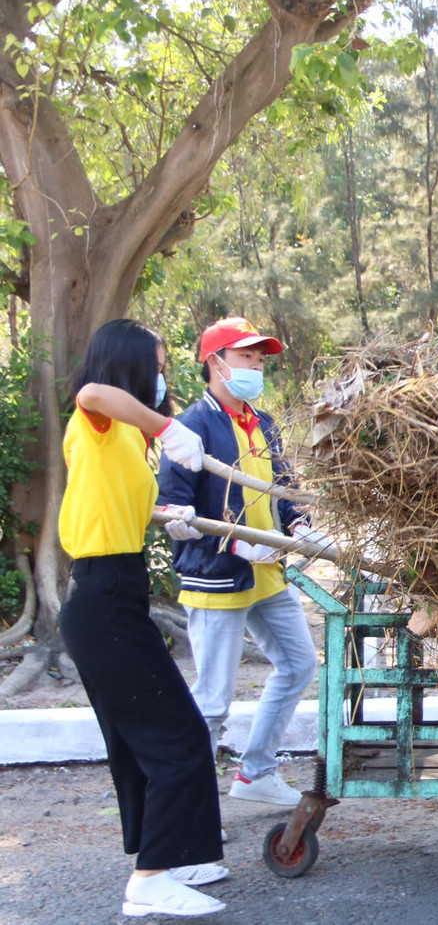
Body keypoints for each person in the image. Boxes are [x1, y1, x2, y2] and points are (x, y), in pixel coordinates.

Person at [58, 318, 228, 917]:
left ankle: (179, 854)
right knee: (178, 735)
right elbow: (89, 393)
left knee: (139, 742)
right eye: (155, 365)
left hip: (116, 593)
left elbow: (110, 500)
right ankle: (150, 881)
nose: (162, 376)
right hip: (101, 600)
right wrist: (164, 423)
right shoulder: (102, 416)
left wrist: (165, 513)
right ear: (128, 365)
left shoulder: (128, 441)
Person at [157, 317, 321, 807]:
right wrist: (234, 545)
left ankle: (256, 774)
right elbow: (174, 510)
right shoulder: (191, 427)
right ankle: (190, 807)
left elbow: (284, 492)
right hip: (216, 578)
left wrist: (300, 526)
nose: (255, 365)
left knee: (298, 664)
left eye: (259, 358)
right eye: (245, 356)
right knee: (212, 701)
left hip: (268, 573)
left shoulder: (262, 422)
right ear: (215, 363)